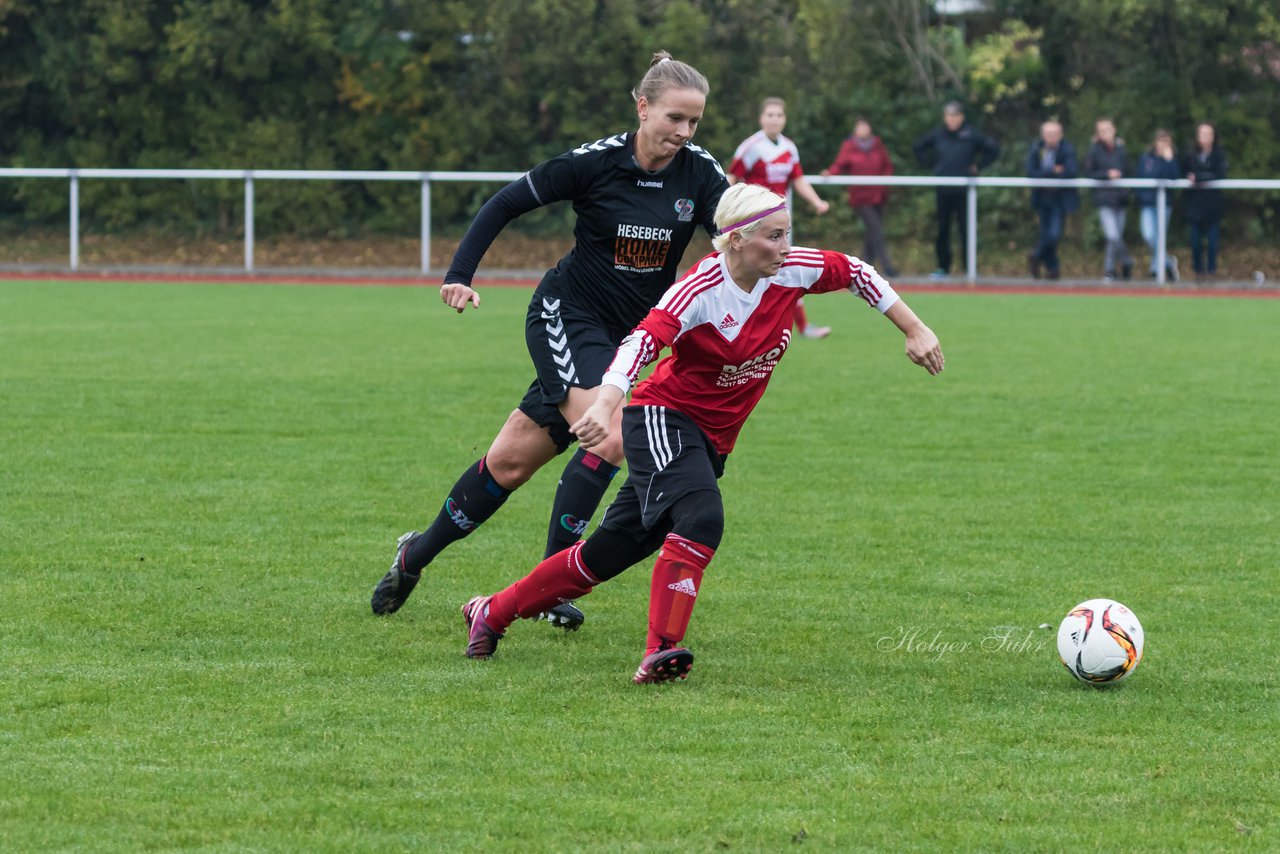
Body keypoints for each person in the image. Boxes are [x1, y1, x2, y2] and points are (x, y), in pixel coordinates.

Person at [458, 183, 945, 684]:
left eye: (787, 235)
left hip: (710, 441)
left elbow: (858, 272)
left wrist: (914, 328)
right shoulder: (701, 289)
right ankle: (661, 652)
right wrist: (605, 404)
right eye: (773, 237)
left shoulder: (792, 269)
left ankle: (491, 611)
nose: (785, 247)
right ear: (735, 239)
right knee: (702, 516)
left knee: (602, 556)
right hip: (661, 418)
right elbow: (639, 343)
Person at [370, 52, 728, 630]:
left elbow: (734, 240)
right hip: (569, 316)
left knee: (509, 464)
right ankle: (547, 584)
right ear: (643, 108)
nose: (684, 133)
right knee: (611, 435)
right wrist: (459, 274)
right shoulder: (595, 163)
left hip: (630, 341)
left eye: (695, 123)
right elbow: (506, 202)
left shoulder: (701, 174)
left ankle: (415, 553)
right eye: (674, 119)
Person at [729, 96, 832, 339]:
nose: (774, 119)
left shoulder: (788, 147)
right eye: (770, 115)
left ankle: (802, 327)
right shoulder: (751, 147)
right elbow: (731, 179)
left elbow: (797, 180)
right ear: (761, 118)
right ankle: (737, 324)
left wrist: (817, 202)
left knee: (784, 268)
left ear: (784, 119)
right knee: (751, 270)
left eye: (779, 115)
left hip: (780, 222)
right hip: (754, 222)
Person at [912, 101, 1000, 280]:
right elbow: (918, 147)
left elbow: (993, 150)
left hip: (965, 191)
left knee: (966, 229)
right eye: (948, 116)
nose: (951, 120)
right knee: (943, 229)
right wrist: (932, 166)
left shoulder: (971, 134)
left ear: (962, 117)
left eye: (955, 116)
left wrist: (979, 166)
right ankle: (943, 267)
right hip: (943, 189)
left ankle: (970, 268)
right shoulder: (938, 134)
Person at [822, 117, 898, 276]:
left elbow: (887, 165)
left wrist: (884, 183)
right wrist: (829, 173)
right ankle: (887, 266)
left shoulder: (877, 145)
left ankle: (863, 268)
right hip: (861, 197)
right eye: (859, 127)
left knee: (872, 232)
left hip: (879, 195)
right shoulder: (849, 146)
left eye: (865, 126)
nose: (863, 130)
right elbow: (840, 164)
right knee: (875, 229)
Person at [1025, 120, 1079, 280]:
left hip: (1059, 199)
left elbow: (1071, 171)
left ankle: (1036, 255)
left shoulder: (1067, 149)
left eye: (1055, 134)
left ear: (1061, 135)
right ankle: (1053, 269)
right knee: (1045, 234)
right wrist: (1051, 170)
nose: (1052, 137)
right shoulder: (1036, 149)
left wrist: (1046, 172)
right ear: (1043, 135)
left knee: (1054, 234)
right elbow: (1031, 172)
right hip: (1042, 198)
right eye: (1048, 134)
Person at [1084, 118, 1135, 281]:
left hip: (1120, 198)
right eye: (1101, 130)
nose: (1105, 133)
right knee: (1113, 236)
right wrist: (1107, 174)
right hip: (1104, 198)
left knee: (1113, 239)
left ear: (1114, 130)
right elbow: (1088, 172)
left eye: (1107, 129)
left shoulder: (1121, 149)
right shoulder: (1094, 151)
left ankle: (1109, 270)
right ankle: (1127, 261)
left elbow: (1130, 170)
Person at [1135, 129, 1182, 281]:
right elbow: (1140, 178)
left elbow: (1174, 178)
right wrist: (1141, 196)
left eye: (1166, 141)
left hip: (1164, 204)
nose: (1162, 144)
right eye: (1160, 141)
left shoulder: (1171, 159)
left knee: (1160, 237)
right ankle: (1168, 263)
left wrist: (1169, 160)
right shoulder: (1147, 158)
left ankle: (1156, 269)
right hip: (1148, 204)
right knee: (1149, 236)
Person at [1182, 122, 1228, 279]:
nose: (1205, 137)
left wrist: (1199, 177)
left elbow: (1220, 174)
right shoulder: (1190, 155)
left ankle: (1211, 271)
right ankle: (1198, 271)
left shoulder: (1219, 155)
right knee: (1195, 243)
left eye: (1209, 134)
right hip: (1195, 206)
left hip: (1213, 207)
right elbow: (1184, 173)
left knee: (1213, 243)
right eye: (1202, 134)